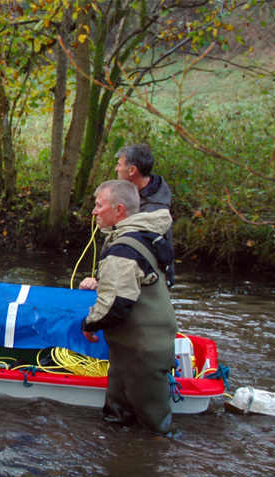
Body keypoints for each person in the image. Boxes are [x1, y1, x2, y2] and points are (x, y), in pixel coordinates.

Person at [80, 180, 177, 435]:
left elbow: (115, 305)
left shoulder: (124, 249)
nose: (94, 211)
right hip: (129, 348)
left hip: (144, 351)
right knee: (116, 418)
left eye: (99, 205)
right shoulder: (141, 237)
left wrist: (89, 323)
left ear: (119, 210)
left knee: (157, 429)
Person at [114, 144, 174, 286]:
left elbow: (144, 255)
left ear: (132, 170)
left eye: (119, 165)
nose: (116, 169)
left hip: (148, 280)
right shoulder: (134, 192)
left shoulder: (154, 209)